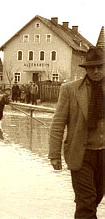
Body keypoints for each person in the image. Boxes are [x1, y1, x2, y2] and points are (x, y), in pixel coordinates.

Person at [48, 47, 105, 218]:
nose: (95, 71)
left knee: (95, 199)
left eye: (99, 67)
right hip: (82, 154)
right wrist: (54, 154)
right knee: (87, 203)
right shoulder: (70, 90)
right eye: (91, 67)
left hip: (104, 154)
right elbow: (58, 123)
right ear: (85, 69)